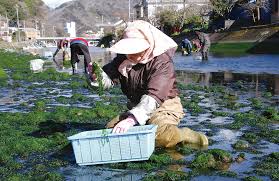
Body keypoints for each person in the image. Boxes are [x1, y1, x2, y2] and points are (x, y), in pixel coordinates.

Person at [88, 20, 208, 148]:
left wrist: (131, 120)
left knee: (160, 136)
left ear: (149, 44)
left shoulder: (162, 62)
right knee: (111, 129)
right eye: (128, 49)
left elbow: (154, 96)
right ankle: (143, 124)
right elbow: (108, 80)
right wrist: (96, 76)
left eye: (136, 49)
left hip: (163, 105)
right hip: (137, 105)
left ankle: (187, 135)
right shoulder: (123, 58)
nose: (131, 54)